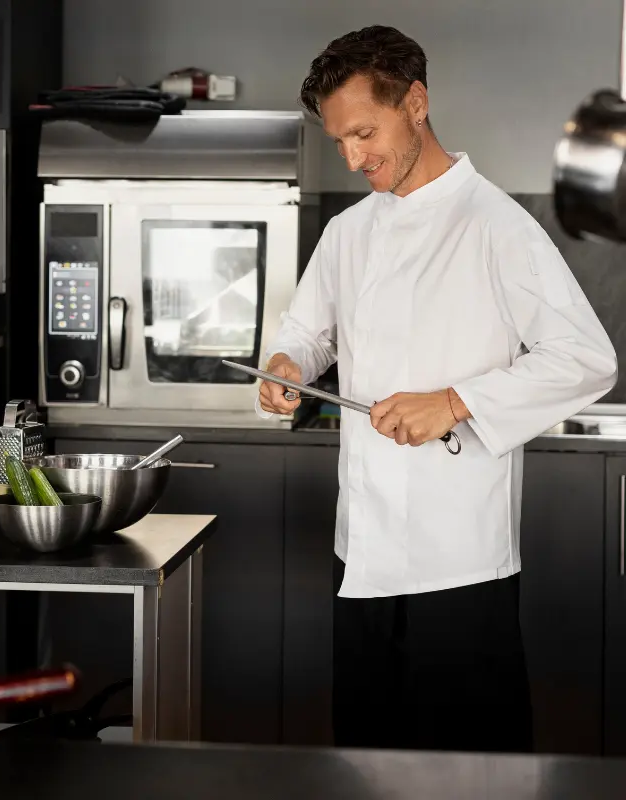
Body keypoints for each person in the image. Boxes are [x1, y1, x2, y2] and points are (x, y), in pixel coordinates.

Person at [257, 25, 618, 753]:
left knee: (469, 769)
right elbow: (308, 333)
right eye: (339, 141)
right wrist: (289, 365)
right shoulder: (349, 232)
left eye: (364, 133)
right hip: (361, 551)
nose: (352, 158)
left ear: (416, 103)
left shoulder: (496, 225)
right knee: (364, 758)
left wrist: (454, 402)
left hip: (459, 561)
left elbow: (587, 358)